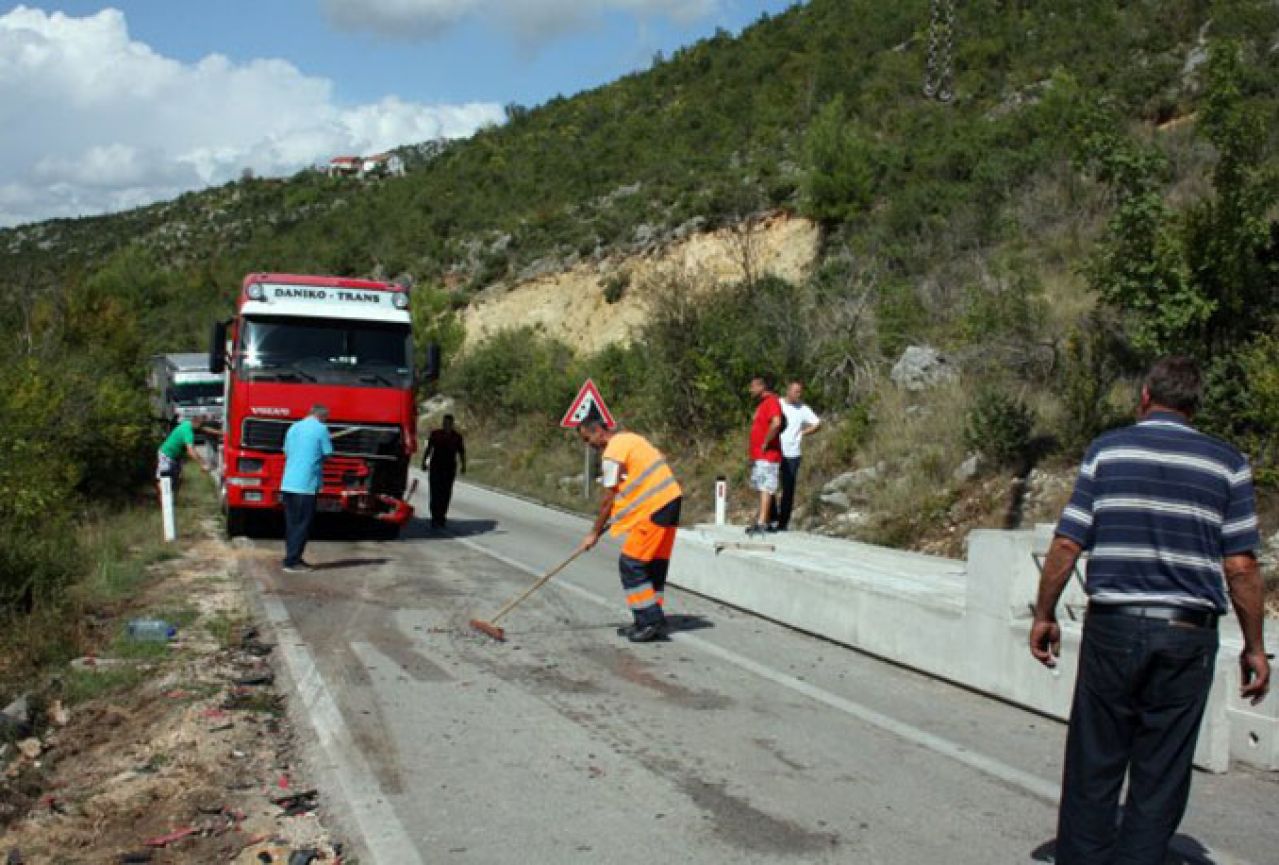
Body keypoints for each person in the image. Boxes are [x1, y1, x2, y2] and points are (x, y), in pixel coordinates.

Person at [1029, 357, 1269, 865]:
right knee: (1161, 773)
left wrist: (1044, 614)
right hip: (1188, 634)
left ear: (1144, 397)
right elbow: (1242, 566)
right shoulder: (1228, 462)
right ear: (1193, 406)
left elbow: (1068, 543)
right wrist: (1255, 646)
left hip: (1113, 627)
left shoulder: (1108, 451)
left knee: (1095, 761)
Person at [577, 419, 683, 643]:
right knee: (653, 563)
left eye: (588, 439)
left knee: (631, 563)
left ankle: (650, 621)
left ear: (598, 431)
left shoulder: (612, 454)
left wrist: (593, 533)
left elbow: (608, 499)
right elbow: (658, 461)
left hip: (656, 507)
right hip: (670, 500)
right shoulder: (631, 439)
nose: (589, 445)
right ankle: (647, 619)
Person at [281, 404, 333, 573]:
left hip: (288, 483)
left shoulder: (293, 427)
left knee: (292, 523)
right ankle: (292, 562)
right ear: (322, 416)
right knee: (303, 524)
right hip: (306, 485)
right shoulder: (321, 429)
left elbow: (286, 451)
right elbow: (328, 453)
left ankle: (292, 556)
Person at [775, 380, 822, 531]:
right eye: (795, 391)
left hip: (793, 454)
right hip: (776, 451)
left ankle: (783, 522)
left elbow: (817, 423)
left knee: (788, 489)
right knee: (770, 486)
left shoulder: (803, 409)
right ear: (788, 390)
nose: (798, 394)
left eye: (800, 392)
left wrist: (803, 432)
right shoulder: (778, 404)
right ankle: (771, 516)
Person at [746, 376, 784, 536]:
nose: (751, 390)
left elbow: (776, 423)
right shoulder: (763, 404)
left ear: (762, 386)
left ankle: (763, 522)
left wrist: (766, 442)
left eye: (753, 386)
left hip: (768, 454)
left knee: (766, 487)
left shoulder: (772, 401)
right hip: (760, 455)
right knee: (761, 485)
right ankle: (766, 519)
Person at [421, 414, 467, 527]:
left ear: (452, 424)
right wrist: (424, 462)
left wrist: (463, 465)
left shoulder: (457, 437)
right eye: (444, 423)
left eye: (448, 423)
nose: (446, 425)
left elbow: (461, 452)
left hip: (449, 468)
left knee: (446, 493)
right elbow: (429, 449)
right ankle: (434, 516)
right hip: (436, 467)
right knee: (435, 492)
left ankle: (442, 516)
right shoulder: (436, 434)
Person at [155, 417, 207, 502]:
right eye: (200, 426)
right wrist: (202, 464)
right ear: (196, 424)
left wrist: (221, 433)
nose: (200, 429)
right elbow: (191, 451)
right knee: (164, 478)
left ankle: (172, 501)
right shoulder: (188, 432)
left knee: (177, 479)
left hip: (176, 457)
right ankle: (164, 502)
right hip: (166, 454)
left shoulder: (187, 423)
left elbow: (204, 430)